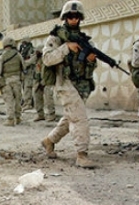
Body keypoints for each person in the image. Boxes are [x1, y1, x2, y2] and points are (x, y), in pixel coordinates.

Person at [40, 1, 97, 169]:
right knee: (80, 118)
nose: (73, 19)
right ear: (65, 17)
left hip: (82, 84)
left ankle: (49, 140)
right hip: (64, 83)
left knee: (71, 117)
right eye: (70, 16)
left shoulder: (84, 39)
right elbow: (47, 59)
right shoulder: (56, 38)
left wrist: (91, 61)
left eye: (76, 16)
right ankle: (81, 154)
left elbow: (92, 65)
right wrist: (66, 48)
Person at [0, 37, 25, 126]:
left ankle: (10, 120)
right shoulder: (18, 55)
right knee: (18, 99)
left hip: (6, 82)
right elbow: (24, 67)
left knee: (9, 101)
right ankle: (18, 118)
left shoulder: (2, 56)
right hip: (17, 80)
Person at [19, 38, 35, 111]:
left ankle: (28, 104)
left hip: (30, 71)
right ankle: (26, 103)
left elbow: (32, 60)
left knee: (27, 88)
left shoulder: (32, 50)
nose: (23, 45)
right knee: (24, 87)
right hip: (24, 72)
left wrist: (23, 64)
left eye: (24, 43)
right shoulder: (22, 51)